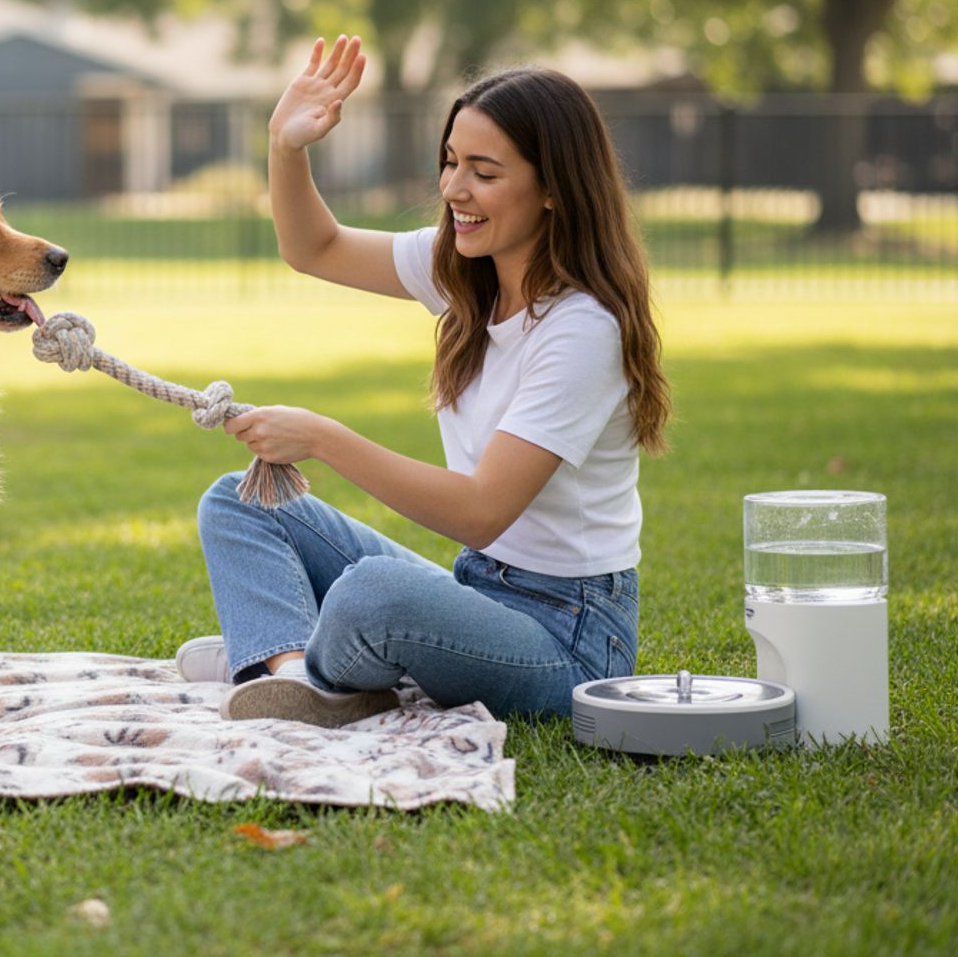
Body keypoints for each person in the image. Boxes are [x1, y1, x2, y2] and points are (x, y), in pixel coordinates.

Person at [177, 37, 671, 727]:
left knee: (376, 594)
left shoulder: (584, 329)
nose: (453, 189)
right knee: (240, 501)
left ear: (554, 187)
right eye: (449, 162)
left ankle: (273, 654)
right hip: (477, 591)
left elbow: (480, 511)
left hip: (568, 644)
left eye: (483, 171)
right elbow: (312, 247)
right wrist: (286, 146)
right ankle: (292, 670)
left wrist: (321, 436)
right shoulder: (466, 272)